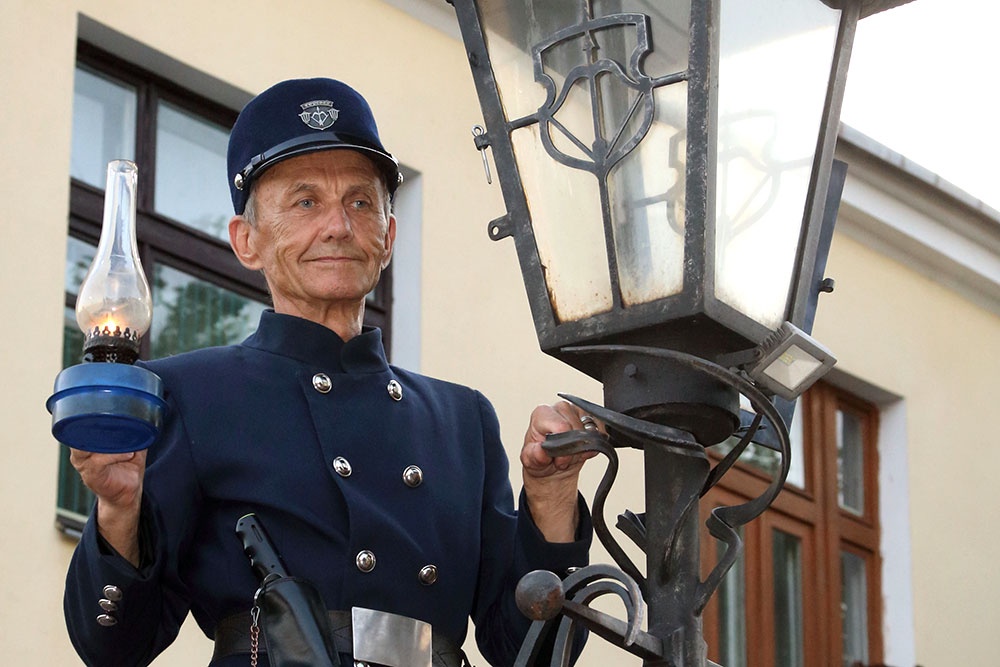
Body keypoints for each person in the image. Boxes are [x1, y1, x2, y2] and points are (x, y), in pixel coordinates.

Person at [63, 77, 594, 667]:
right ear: (246, 240)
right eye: (306, 202)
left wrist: (551, 497)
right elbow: (113, 647)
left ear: (388, 236)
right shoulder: (190, 396)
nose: (338, 225)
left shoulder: (461, 420)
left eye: (360, 202)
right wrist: (118, 513)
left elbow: (530, 655)